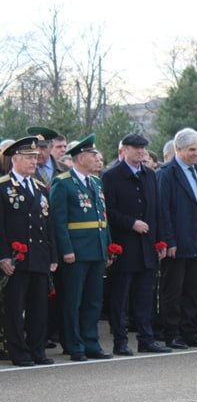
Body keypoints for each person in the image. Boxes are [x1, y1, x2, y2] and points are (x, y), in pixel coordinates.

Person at [102, 133, 172, 355]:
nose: (140, 151)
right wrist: (130, 223)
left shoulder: (149, 174)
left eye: (142, 148)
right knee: (120, 297)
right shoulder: (111, 176)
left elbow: (157, 210)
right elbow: (108, 210)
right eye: (135, 148)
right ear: (124, 150)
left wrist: (161, 241)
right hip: (124, 245)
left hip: (147, 246)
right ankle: (120, 341)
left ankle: (146, 338)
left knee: (144, 296)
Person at [50, 134, 114, 361]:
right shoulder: (63, 182)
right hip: (76, 251)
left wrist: (108, 247)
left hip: (96, 249)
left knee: (93, 300)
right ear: (79, 158)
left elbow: (102, 217)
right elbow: (58, 221)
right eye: (92, 154)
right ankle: (74, 344)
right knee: (73, 300)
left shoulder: (96, 182)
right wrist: (66, 249)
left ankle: (91, 342)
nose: (97, 158)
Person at [0, 136, 58, 366]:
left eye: (35, 157)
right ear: (15, 159)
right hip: (16, 259)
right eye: (29, 157)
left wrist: (52, 255)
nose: (34, 161)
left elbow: (48, 224)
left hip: (39, 256)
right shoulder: (3, 187)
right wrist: (3, 256)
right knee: (15, 308)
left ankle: (37, 350)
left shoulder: (40, 187)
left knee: (39, 307)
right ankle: (18, 351)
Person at [157, 127, 197, 350]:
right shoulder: (166, 173)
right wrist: (169, 241)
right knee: (174, 290)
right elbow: (163, 210)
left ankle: (189, 331)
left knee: (194, 288)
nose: (196, 154)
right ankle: (172, 333)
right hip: (178, 242)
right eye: (191, 150)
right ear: (178, 149)